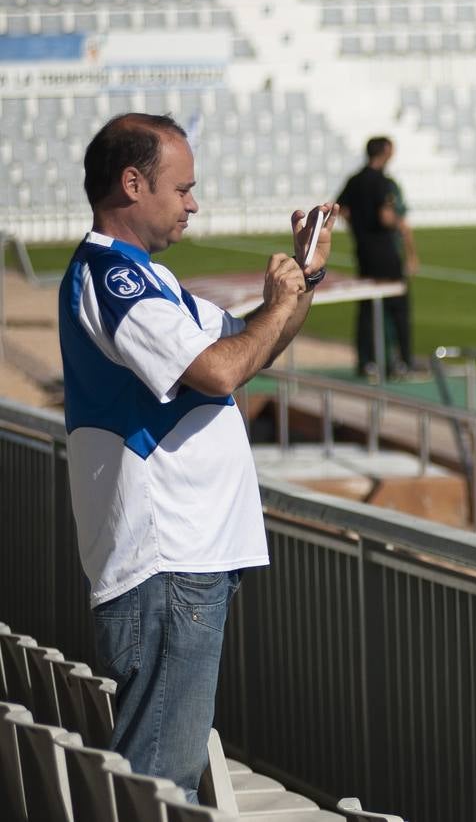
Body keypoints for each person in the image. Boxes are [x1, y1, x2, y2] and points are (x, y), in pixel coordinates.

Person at [58, 113, 334, 801]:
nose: (193, 203)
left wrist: (302, 282)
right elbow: (218, 371)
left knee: (160, 771)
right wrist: (279, 304)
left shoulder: (148, 281)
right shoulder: (113, 282)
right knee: (159, 781)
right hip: (167, 562)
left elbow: (249, 345)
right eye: (182, 188)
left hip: (187, 558)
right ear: (132, 184)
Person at [337, 136, 420, 381]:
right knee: (398, 309)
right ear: (384, 152)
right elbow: (385, 217)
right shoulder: (383, 182)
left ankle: (366, 362)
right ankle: (403, 362)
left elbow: (341, 208)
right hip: (385, 252)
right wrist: (400, 224)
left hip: (364, 251)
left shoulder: (354, 180)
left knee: (367, 308)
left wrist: (358, 228)